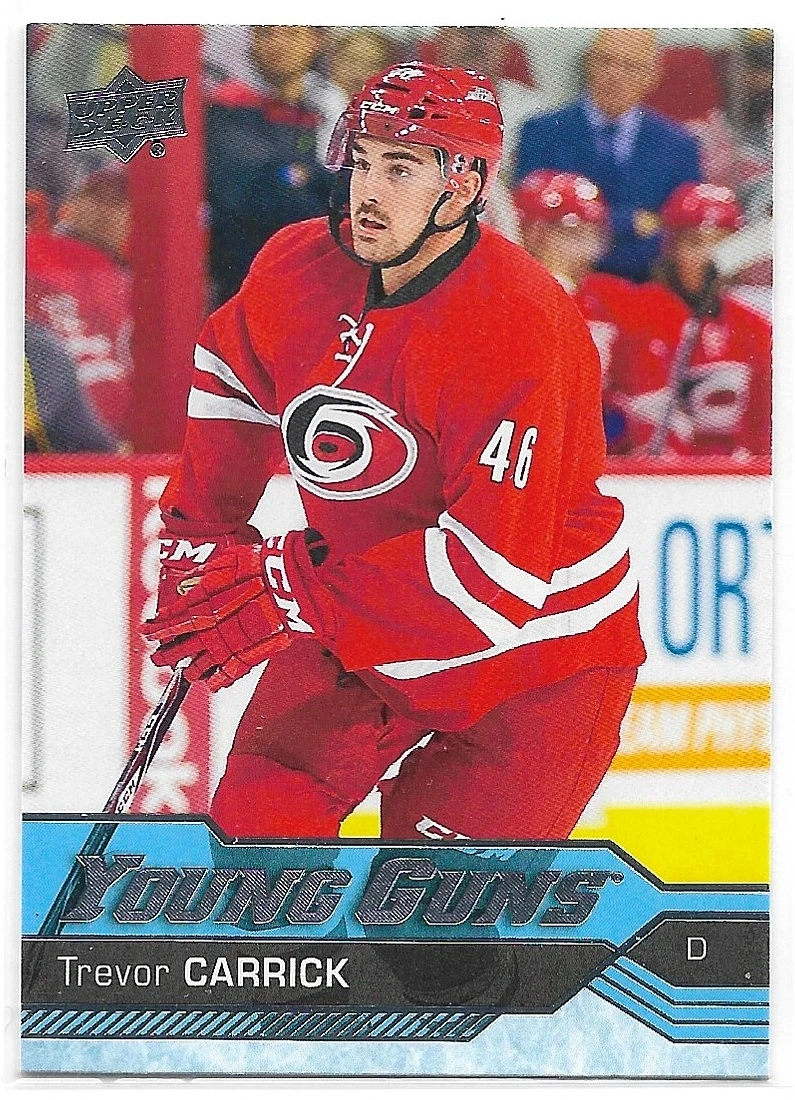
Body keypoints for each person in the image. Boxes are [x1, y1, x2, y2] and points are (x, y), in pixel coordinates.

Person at [143, 63, 646, 844]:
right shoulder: (298, 265)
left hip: (534, 662)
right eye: (363, 161)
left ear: (462, 186)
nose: (366, 192)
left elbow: (490, 583)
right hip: (366, 619)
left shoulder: (516, 328)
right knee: (255, 833)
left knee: (433, 909)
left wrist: (287, 586)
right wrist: (200, 535)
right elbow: (230, 374)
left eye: (400, 168)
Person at [514, 29, 702, 282]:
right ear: (589, 64)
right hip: (558, 280)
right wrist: (630, 222)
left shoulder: (679, 145)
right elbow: (531, 220)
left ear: (652, 76)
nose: (616, 75)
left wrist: (581, 225)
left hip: (647, 285)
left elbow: (682, 232)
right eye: (606, 61)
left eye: (631, 66)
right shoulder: (542, 131)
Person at [608, 182, 771, 458]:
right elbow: (646, 425)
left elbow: (760, 434)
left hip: (728, 474)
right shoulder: (637, 310)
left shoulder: (753, 326)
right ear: (671, 248)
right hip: (657, 471)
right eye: (695, 243)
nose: (709, 257)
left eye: (721, 243)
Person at [206, 25, 345, 303]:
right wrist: (312, 182)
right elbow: (253, 196)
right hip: (246, 277)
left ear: (316, 40)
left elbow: (343, 187)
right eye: (266, 33)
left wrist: (307, 175)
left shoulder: (327, 105)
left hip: (317, 278)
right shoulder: (227, 107)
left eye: (292, 34)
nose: (278, 43)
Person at [513, 169, 646, 453]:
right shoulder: (504, 298)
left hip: (591, 453)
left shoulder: (611, 298)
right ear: (531, 233)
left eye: (592, 235)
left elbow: (632, 394)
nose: (586, 250)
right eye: (572, 235)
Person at [25, 165, 132, 445]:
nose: (106, 210)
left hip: (65, 440)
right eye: (98, 197)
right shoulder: (123, 284)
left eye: (116, 202)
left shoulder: (27, 252)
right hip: (96, 445)